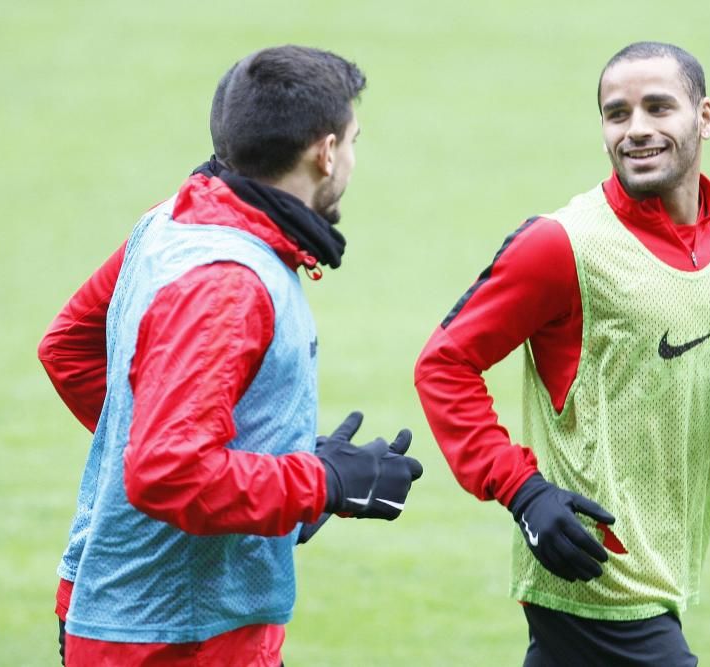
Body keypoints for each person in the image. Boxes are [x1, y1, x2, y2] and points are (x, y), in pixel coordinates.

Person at [414, 41, 710, 666]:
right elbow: (443, 364)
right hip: (592, 577)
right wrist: (523, 491)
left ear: (704, 118)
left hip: (665, 572)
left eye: (658, 108)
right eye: (616, 113)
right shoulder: (560, 244)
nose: (636, 129)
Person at [39, 45, 424, 667]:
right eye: (353, 140)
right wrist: (318, 483)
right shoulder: (230, 283)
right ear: (325, 152)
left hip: (126, 608)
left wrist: (264, 468)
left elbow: (70, 349)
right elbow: (167, 471)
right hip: (178, 635)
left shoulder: (170, 224)